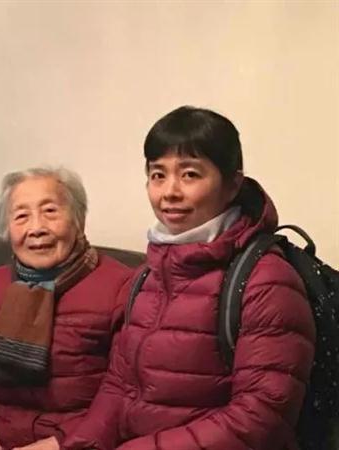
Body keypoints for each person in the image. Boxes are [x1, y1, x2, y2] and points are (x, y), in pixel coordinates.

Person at [64, 106, 316, 450]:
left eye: (190, 175)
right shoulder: (147, 275)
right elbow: (119, 385)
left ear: (232, 184)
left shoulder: (266, 279)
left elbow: (261, 416)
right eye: (158, 175)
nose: (169, 192)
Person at [0, 167, 132, 450]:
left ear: (78, 220)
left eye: (50, 212)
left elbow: (125, 391)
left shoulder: (120, 286)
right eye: (21, 216)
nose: (36, 228)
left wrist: (60, 444)